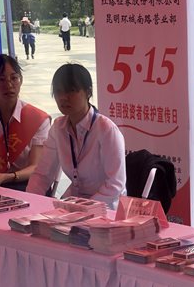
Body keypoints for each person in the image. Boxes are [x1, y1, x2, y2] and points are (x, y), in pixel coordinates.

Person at [27, 63, 126, 209]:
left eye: (71, 90)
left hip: (106, 206)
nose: (63, 97)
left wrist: (82, 208)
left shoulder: (106, 130)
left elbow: (115, 186)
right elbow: (42, 174)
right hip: (73, 204)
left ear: (88, 92)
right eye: (58, 91)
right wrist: (29, 201)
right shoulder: (58, 128)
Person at [0, 54, 50, 191]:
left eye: (14, 78)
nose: (9, 85)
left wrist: (9, 177)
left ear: (21, 80)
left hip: (27, 186)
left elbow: (36, 167)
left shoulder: (38, 118)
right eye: (1, 79)